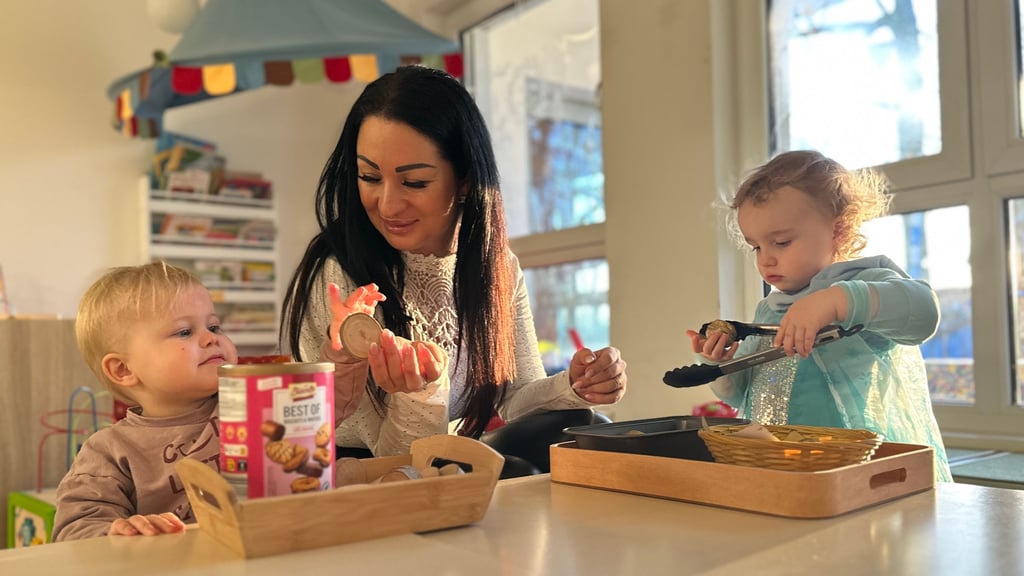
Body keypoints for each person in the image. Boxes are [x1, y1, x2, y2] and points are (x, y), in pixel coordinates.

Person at [281, 65, 627, 465]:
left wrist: (578, 385)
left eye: (414, 183)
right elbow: (396, 459)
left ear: (464, 180)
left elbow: (517, 399)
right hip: (358, 475)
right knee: (511, 467)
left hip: (440, 461)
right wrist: (419, 395)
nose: (389, 205)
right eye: (369, 177)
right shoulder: (340, 275)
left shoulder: (496, 268)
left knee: (583, 426)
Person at [686, 150, 952, 482]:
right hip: (781, 467)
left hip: (856, 468)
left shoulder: (864, 282)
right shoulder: (770, 309)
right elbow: (746, 395)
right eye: (756, 247)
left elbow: (922, 312)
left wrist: (837, 301)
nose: (765, 261)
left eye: (781, 242)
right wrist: (722, 367)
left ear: (838, 232)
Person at [53, 262, 238, 541]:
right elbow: (73, 530)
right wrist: (119, 532)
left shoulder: (248, 405)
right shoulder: (110, 451)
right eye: (185, 332)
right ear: (123, 370)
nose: (212, 338)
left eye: (214, 326)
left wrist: (331, 354)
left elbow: (325, 411)